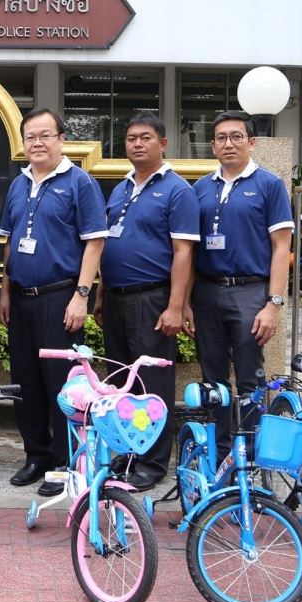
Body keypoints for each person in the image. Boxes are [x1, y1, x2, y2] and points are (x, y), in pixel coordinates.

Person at [0, 107, 107, 496]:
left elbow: (95, 240)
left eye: (45, 135)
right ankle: (36, 456)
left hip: (61, 296)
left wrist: (81, 295)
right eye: (31, 137)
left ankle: (64, 462)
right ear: (22, 143)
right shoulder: (18, 184)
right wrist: (5, 292)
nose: (38, 143)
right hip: (22, 300)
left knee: (61, 384)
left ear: (62, 139)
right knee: (25, 381)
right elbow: (10, 241)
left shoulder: (80, 183)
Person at [93, 113, 199, 491]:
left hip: (152, 300)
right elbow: (108, 245)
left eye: (146, 138)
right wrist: (102, 293)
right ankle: (128, 452)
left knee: (151, 385)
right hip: (118, 300)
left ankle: (153, 463)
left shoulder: (177, 191)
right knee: (121, 384)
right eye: (131, 138)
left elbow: (183, 252)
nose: (138, 144)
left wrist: (174, 305)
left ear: (163, 144)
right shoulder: (120, 189)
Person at [185, 110, 293, 455]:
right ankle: (220, 450)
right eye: (221, 137)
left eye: (235, 136)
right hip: (207, 291)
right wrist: (185, 301)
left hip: (250, 291)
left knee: (249, 378)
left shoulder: (269, 185)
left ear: (252, 142)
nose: (228, 143)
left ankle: (250, 452)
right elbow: (188, 250)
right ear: (213, 145)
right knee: (212, 378)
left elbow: (281, 248)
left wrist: (273, 304)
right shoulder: (201, 188)